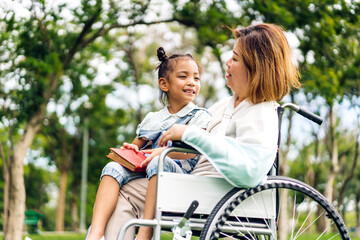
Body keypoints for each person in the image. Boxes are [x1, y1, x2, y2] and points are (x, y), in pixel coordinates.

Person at [102, 23, 301, 240]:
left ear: (255, 68)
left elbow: (250, 172)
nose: (227, 63)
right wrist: (151, 152)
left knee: (128, 192)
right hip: (194, 189)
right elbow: (194, 151)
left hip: (217, 197)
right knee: (123, 188)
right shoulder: (222, 107)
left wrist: (189, 134)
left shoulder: (261, 111)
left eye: (235, 59)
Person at [86, 47, 212, 240]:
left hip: (177, 173)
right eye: (183, 77)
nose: (191, 83)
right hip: (146, 171)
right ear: (164, 84)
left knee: (157, 161)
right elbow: (136, 146)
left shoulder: (200, 116)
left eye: (196, 78)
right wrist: (133, 149)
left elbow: (193, 152)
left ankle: (145, 232)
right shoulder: (154, 118)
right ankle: (96, 233)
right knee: (112, 168)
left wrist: (160, 152)